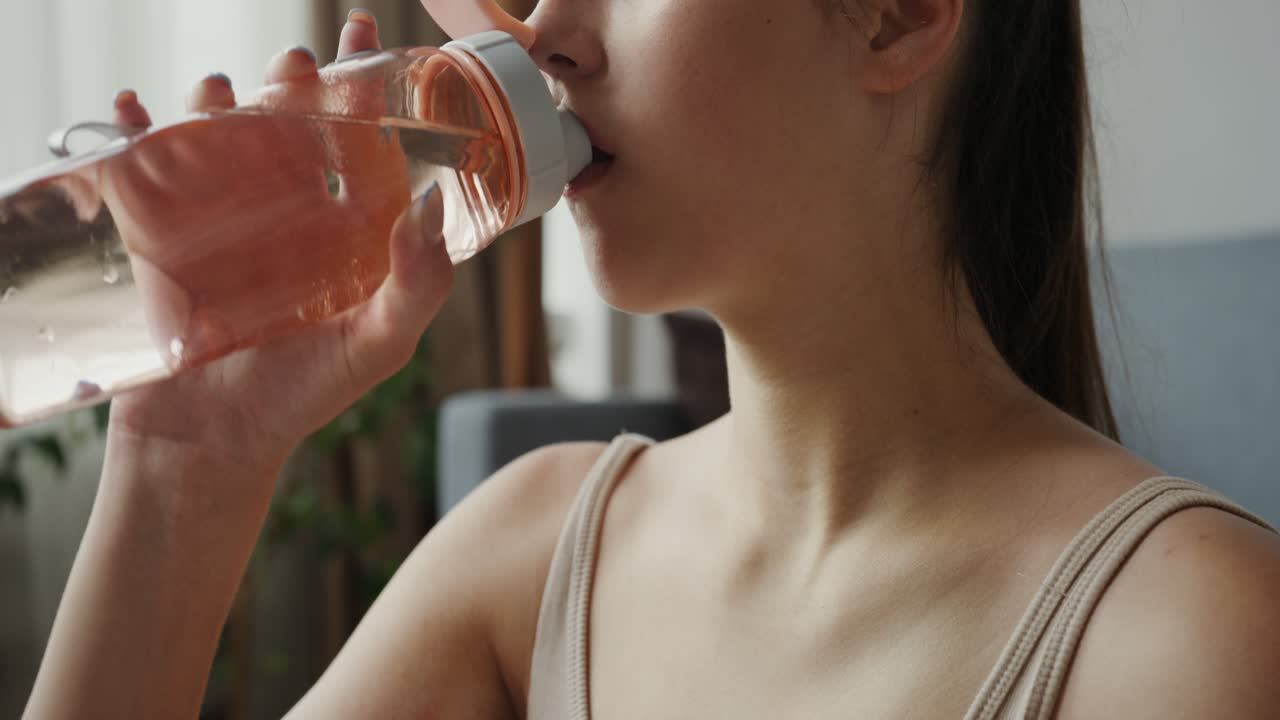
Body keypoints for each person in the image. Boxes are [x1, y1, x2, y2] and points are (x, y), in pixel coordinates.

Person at [24, 2, 1280, 718]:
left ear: (894, 15)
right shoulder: (525, 557)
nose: (547, 35)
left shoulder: (1184, 636)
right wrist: (186, 468)